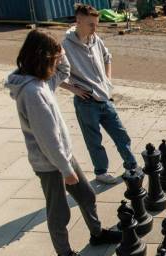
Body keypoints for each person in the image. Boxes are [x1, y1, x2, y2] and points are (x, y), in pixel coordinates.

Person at [5, 29, 121, 256]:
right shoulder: (33, 92)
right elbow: (47, 139)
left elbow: (65, 72)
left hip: (62, 157)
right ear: (42, 57)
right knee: (58, 212)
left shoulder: (42, 81)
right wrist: (66, 169)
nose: (58, 60)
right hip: (50, 164)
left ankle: (97, 233)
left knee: (87, 195)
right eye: (55, 56)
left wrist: (63, 53)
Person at [60, 3, 138, 184]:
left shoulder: (96, 39)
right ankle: (101, 172)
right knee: (94, 140)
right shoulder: (65, 46)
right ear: (78, 21)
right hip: (86, 102)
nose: (95, 28)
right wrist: (73, 89)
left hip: (105, 98)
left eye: (96, 24)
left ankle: (132, 165)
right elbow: (52, 74)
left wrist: (107, 80)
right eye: (91, 24)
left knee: (121, 135)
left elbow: (107, 57)